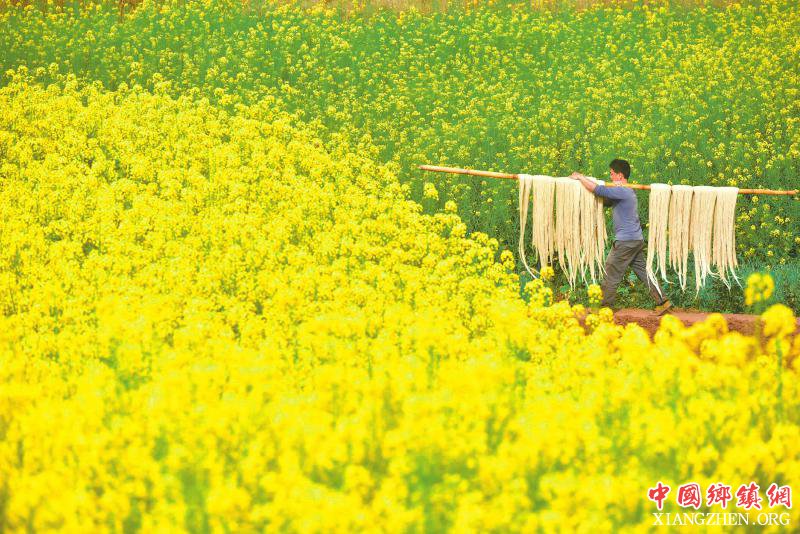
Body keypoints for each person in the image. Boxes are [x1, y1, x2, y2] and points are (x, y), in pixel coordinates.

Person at [569, 159, 673, 315]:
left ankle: (603, 307)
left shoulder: (623, 190)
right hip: (635, 240)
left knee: (611, 271)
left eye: (612, 174)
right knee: (644, 273)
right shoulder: (625, 191)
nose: (610, 177)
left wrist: (581, 177)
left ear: (619, 175)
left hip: (626, 241)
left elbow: (598, 190)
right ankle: (662, 302)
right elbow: (605, 200)